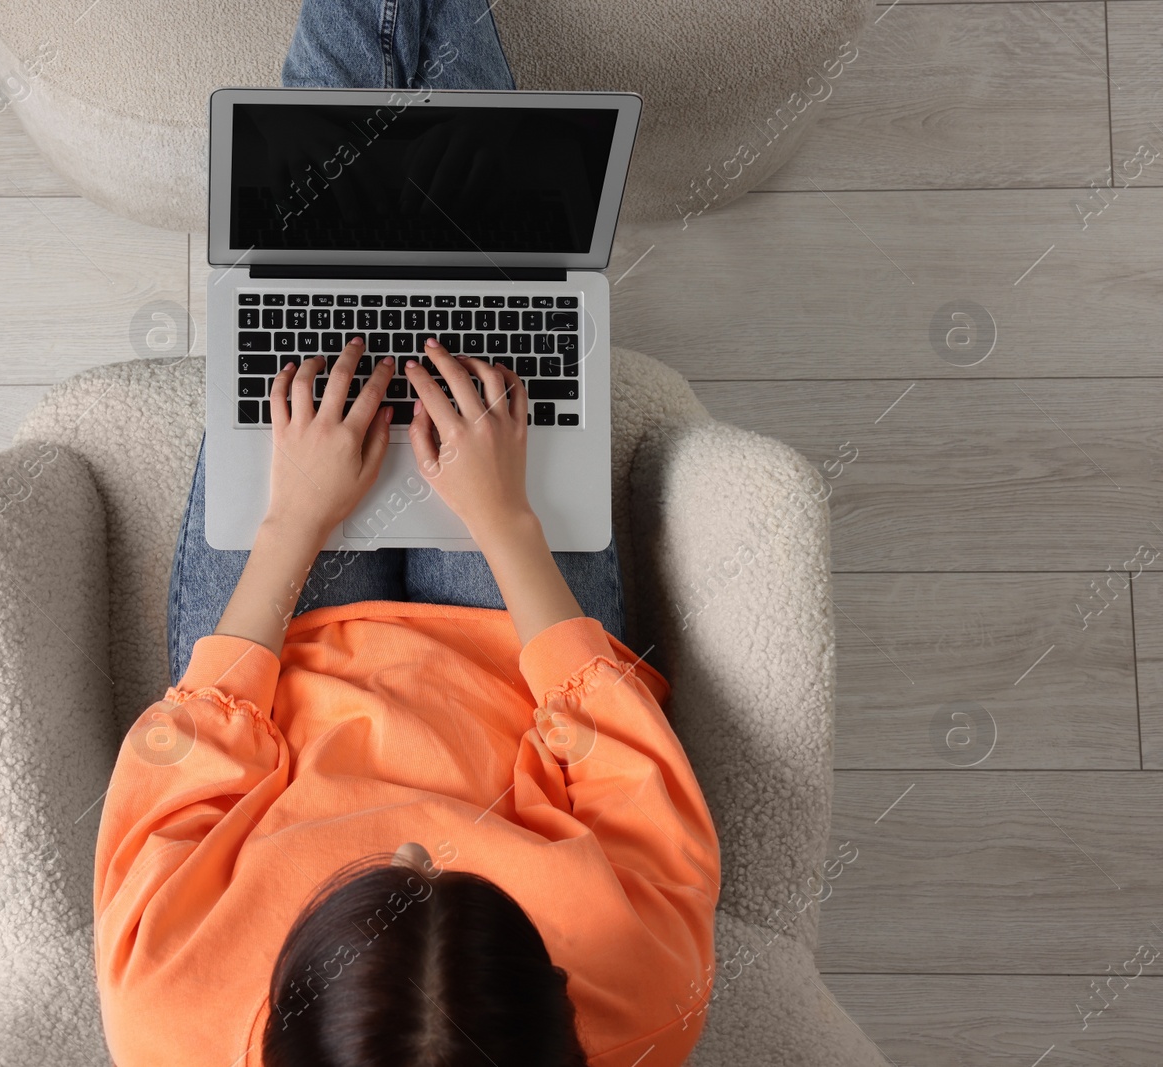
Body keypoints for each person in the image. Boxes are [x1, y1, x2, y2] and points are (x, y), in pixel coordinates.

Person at [93, 5, 721, 1066]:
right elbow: (624, 765)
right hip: (517, 662)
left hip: (276, 665)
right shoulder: (647, 1000)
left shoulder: (169, 1016)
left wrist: (293, 519)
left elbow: (181, 763)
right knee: (483, 273)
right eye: (468, 872)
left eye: (373, 877)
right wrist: (504, 519)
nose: (414, 829)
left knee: (311, 272)